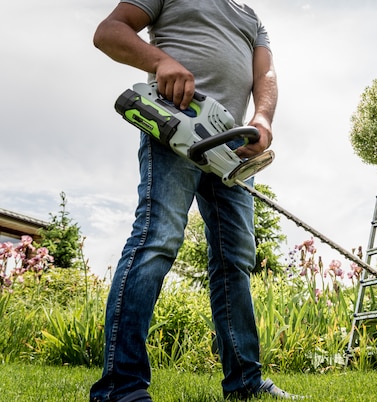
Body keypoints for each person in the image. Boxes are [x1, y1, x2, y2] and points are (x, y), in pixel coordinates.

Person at [90, 1, 301, 400]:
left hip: (231, 146)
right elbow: (109, 32)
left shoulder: (250, 17)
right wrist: (162, 61)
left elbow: (266, 71)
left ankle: (246, 383)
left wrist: (264, 119)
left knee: (234, 262)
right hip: (177, 126)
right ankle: (121, 388)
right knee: (157, 240)